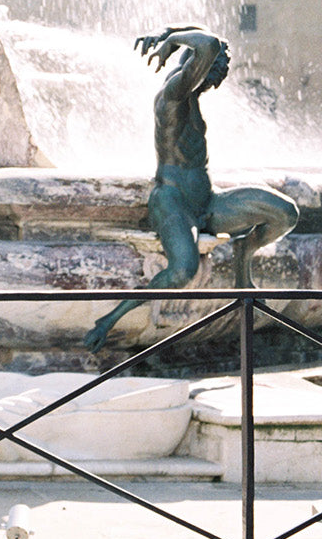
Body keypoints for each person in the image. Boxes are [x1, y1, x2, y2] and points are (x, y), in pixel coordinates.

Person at [84, 27, 298, 353]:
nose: (219, 77)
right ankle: (108, 320)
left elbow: (208, 42)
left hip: (208, 202)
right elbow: (208, 44)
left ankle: (243, 254)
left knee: (285, 213)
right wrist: (171, 40)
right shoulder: (174, 94)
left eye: (222, 71)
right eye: (215, 69)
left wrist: (171, 31)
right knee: (182, 270)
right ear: (197, 64)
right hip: (173, 201)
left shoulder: (194, 97)